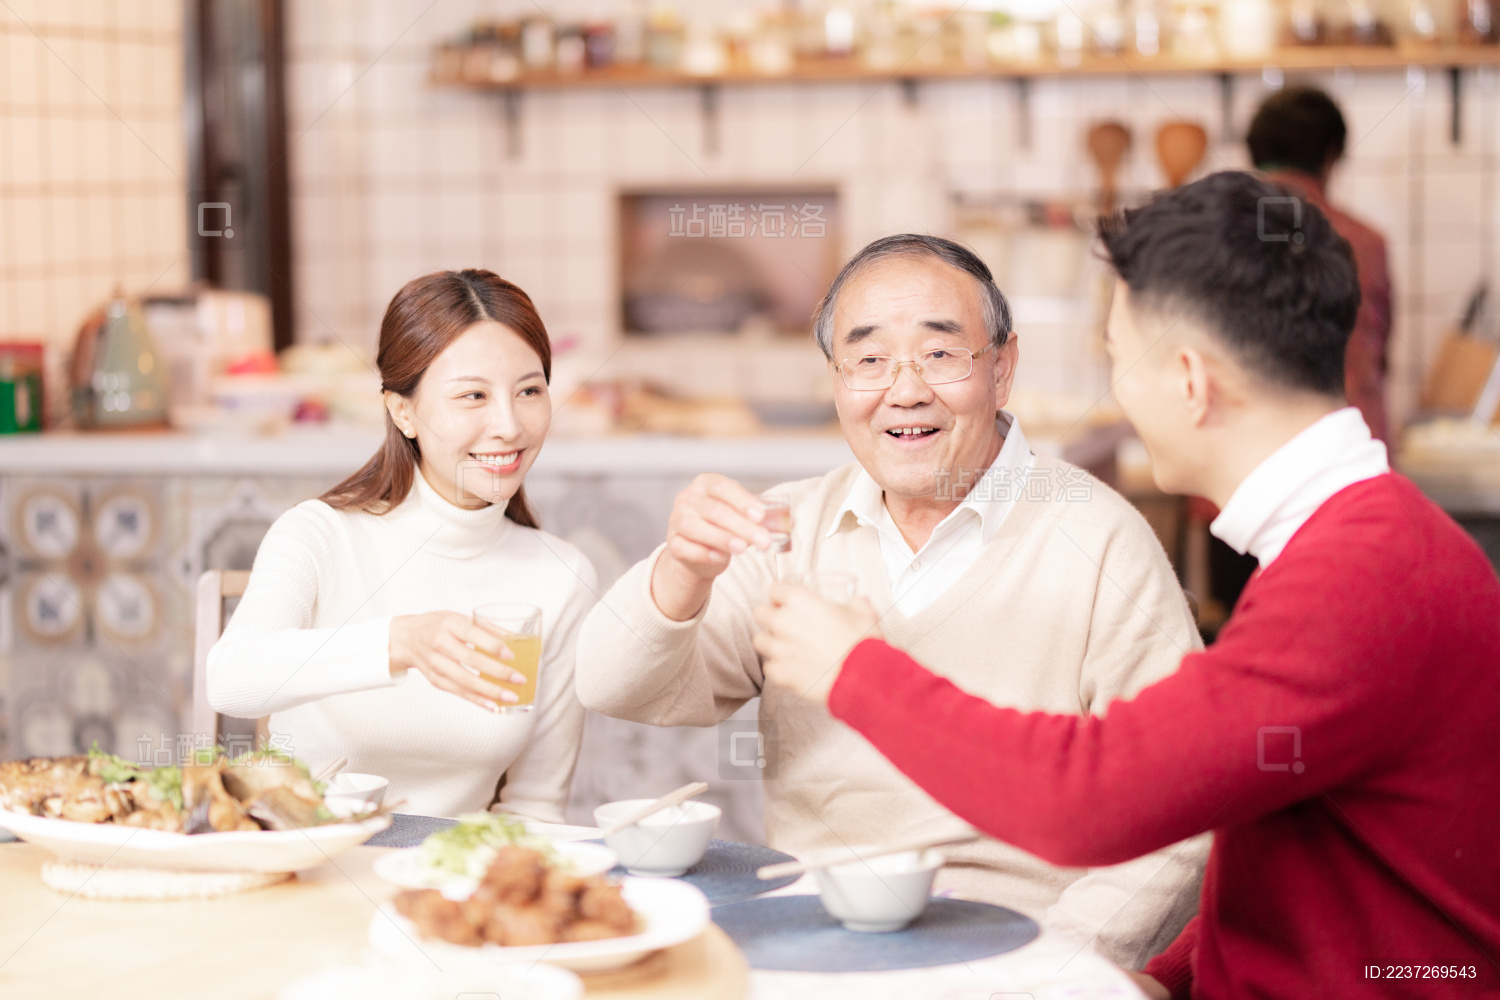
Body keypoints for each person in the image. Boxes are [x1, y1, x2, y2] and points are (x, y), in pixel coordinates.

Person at [755, 173, 1500, 998]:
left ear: (1189, 380)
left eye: (1116, 359)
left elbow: (1088, 799)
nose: (1117, 394)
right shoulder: (1361, 539)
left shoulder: (1359, 579)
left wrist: (854, 670)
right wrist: (1170, 976)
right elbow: (1276, 843)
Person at [575, 235, 1209, 968]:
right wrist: (682, 568)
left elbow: (1181, 815)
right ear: (836, 380)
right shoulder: (791, 528)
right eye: (868, 360)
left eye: (939, 354)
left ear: (1001, 369)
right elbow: (609, 683)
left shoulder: (1097, 538)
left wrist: (1054, 965)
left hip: (1017, 949)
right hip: (813, 945)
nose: (903, 390)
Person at [208, 270, 596, 820]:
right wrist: (402, 642)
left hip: (448, 885)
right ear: (402, 411)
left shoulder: (559, 576)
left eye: (529, 391)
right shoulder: (321, 534)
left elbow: (533, 810)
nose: (509, 426)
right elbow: (231, 679)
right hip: (311, 865)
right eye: (473, 396)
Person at [1249, 85, 1392, 447]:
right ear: (1331, 156)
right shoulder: (1365, 243)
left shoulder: (1212, 236)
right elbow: (1380, 355)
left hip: (1242, 466)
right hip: (1351, 455)